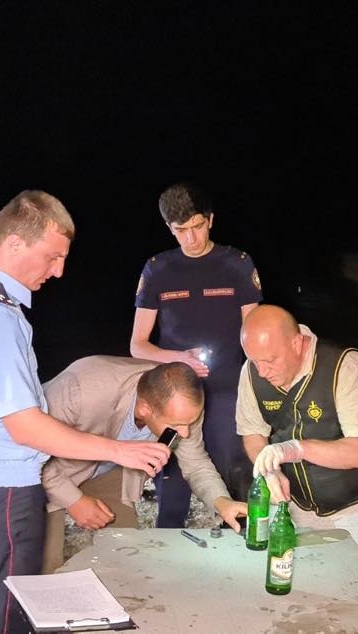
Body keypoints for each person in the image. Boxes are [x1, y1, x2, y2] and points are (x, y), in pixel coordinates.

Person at [0, 190, 170, 634]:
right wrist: (119, 450)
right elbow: (26, 426)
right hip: (2, 492)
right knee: (6, 618)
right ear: (15, 242)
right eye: (52, 257)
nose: (58, 271)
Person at [130, 182, 262, 528]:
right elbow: (138, 345)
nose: (191, 239)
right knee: (173, 488)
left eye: (197, 226)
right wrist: (178, 358)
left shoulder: (237, 264)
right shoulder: (157, 269)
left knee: (233, 477)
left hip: (227, 389)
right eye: (180, 230)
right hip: (174, 393)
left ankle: (236, 542)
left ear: (211, 220)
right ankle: (166, 549)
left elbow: (253, 337)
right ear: (168, 228)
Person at [39, 357, 248, 573]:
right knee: (43, 563)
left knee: (125, 554)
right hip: (47, 471)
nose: (185, 433)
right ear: (145, 408)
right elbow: (29, 451)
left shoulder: (184, 404)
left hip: (111, 470)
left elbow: (195, 463)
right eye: (177, 426)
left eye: (190, 424)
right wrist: (74, 500)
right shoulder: (81, 389)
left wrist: (221, 501)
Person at [236, 304, 358, 564]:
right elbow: (252, 433)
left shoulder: (344, 367)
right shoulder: (251, 373)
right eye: (254, 361)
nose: (262, 372)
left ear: (297, 343)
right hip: (292, 503)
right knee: (295, 573)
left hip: (352, 501)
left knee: (350, 578)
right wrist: (270, 470)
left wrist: (294, 449)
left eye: (270, 361)